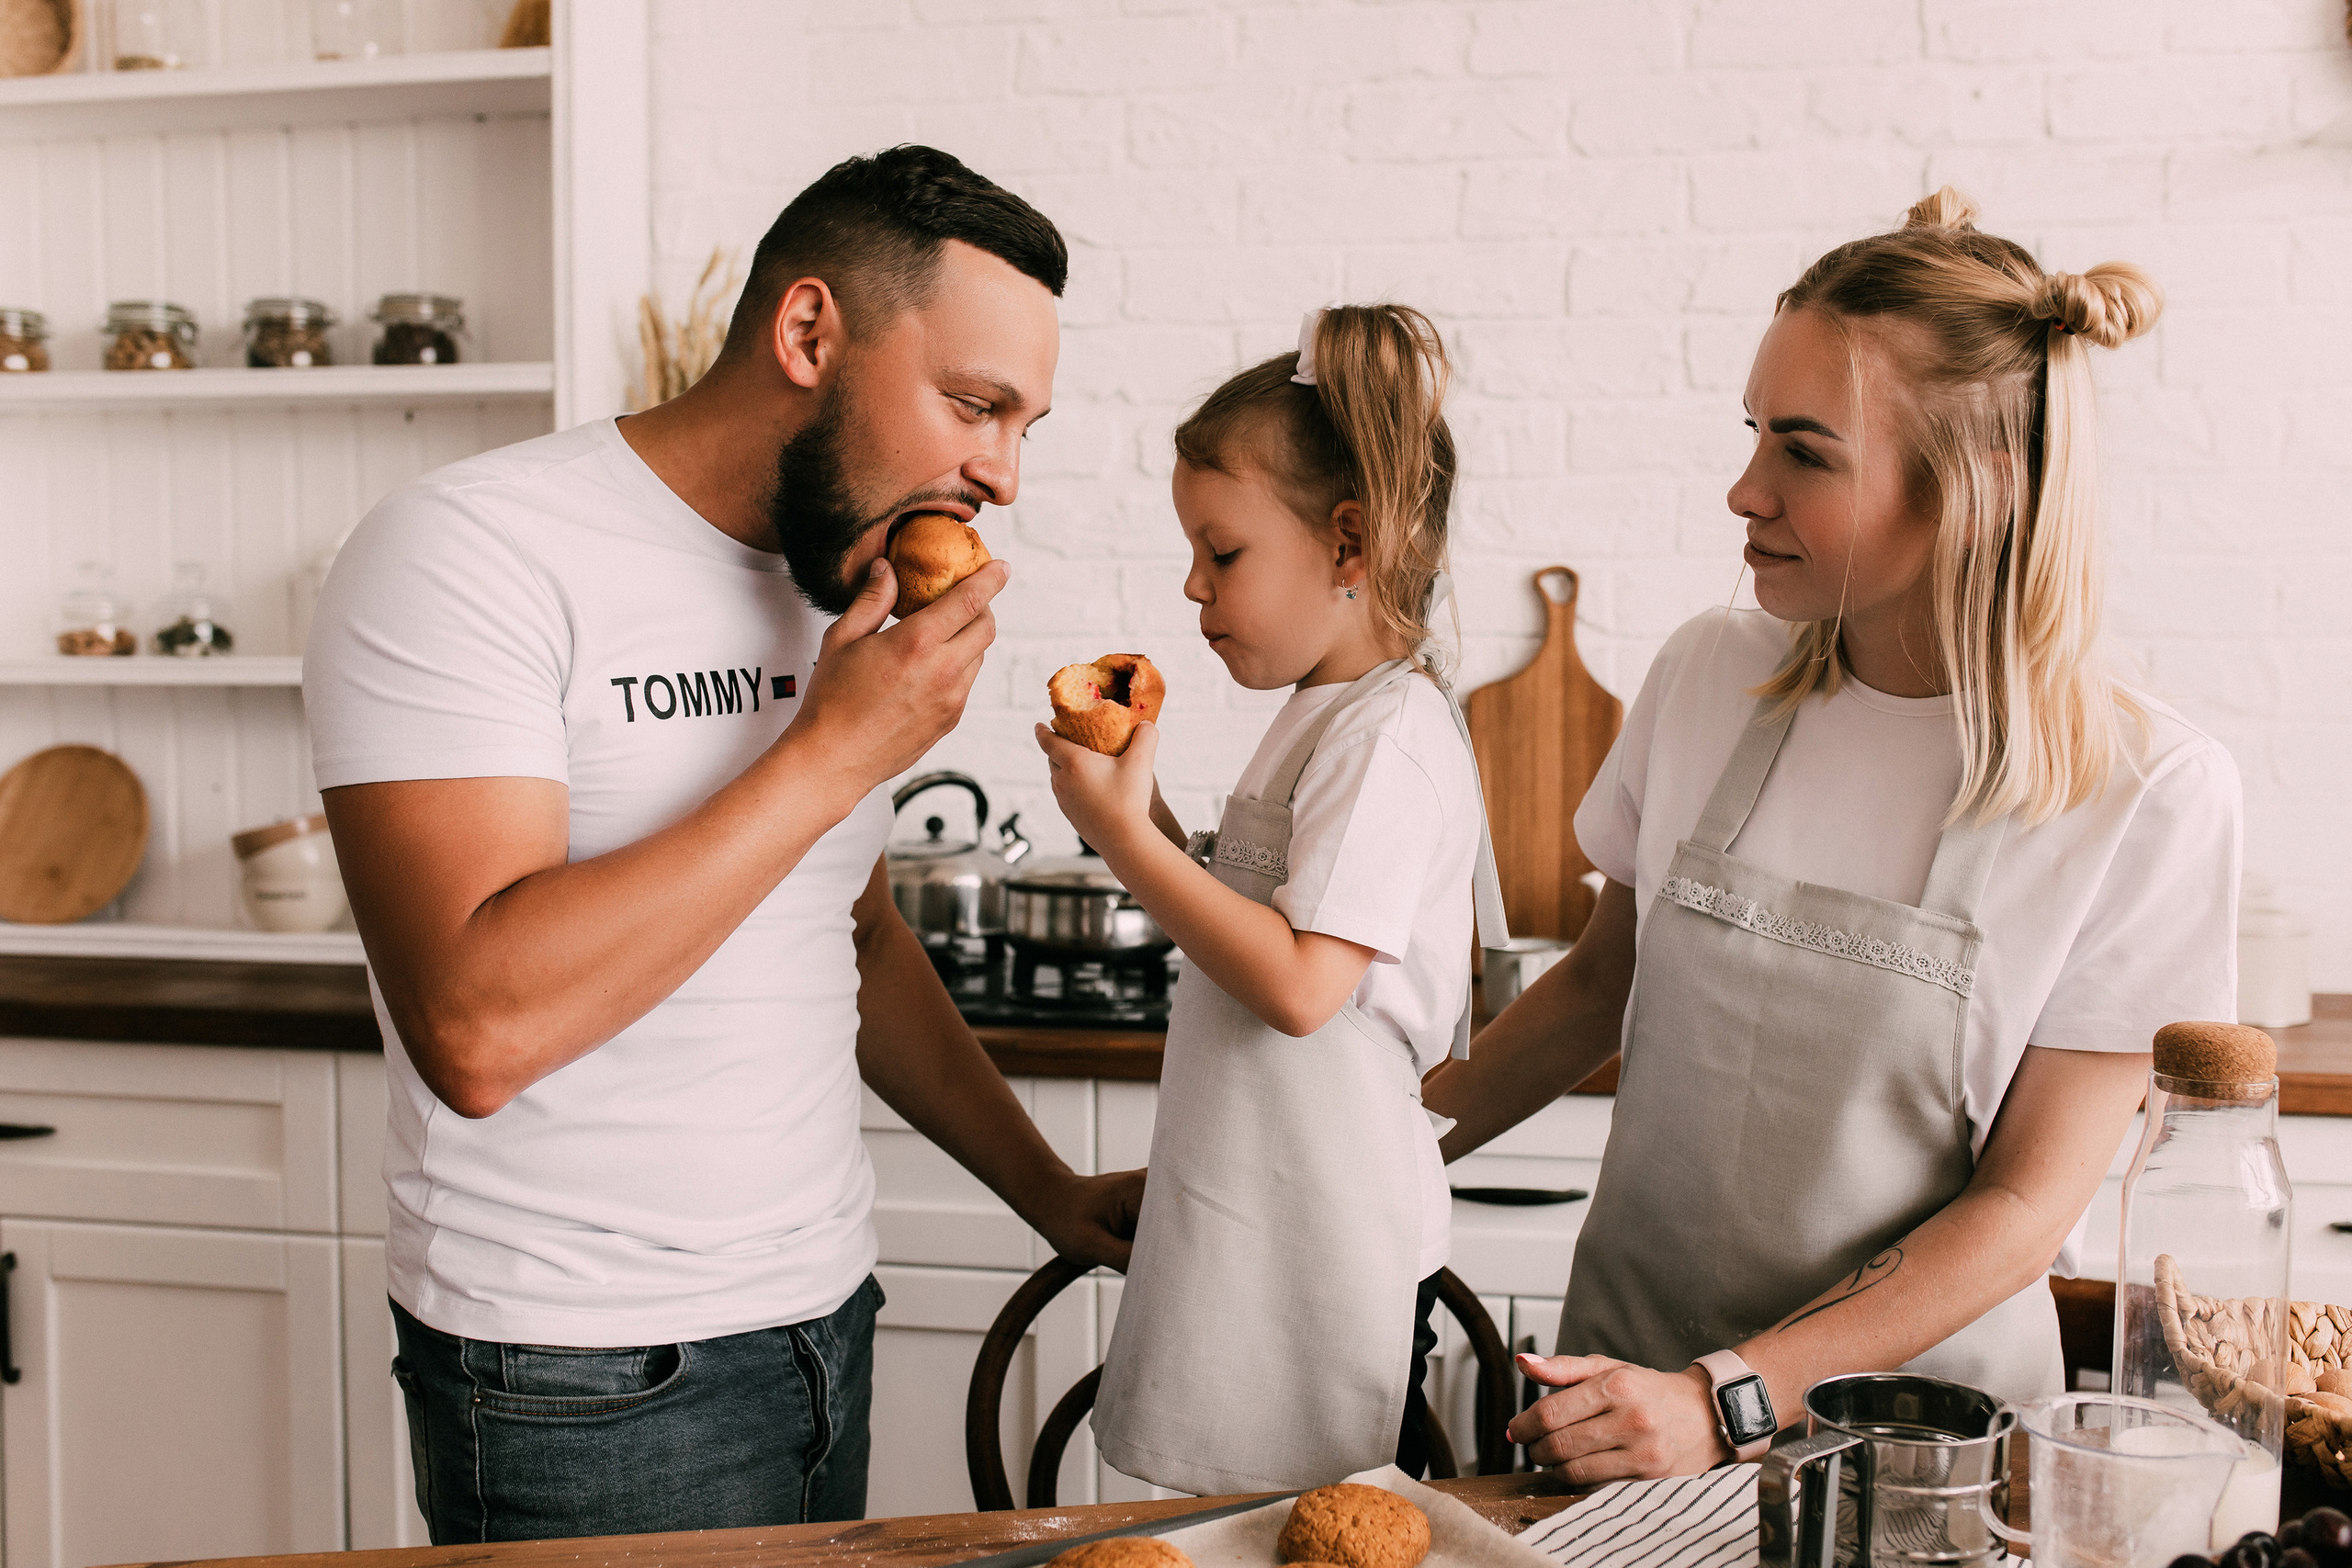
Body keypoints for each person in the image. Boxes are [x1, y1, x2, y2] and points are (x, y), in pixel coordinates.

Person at [305, 146, 1142, 1543]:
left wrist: (1043, 1189)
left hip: (823, 1320)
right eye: (976, 405)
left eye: (1024, 426)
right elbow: (476, 1028)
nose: (1000, 473)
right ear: (810, 332)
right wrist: (836, 749)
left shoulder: (829, 580)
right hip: (580, 1373)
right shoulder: (469, 551)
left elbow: (852, 935)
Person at [1424, 187, 2240, 1483]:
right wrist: (1357, 1158)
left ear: (1973, 487)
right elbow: (1596, 987)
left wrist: (1728, 1397)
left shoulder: (2144, 792)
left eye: (1805, 450)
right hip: (1617, 1409)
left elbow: (2028, 1208)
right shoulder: (1707, 675)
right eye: (1753, 432)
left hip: (1920, 1457)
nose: (1744, 488)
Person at [1039, 304, 1507, 1495]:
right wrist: (1133, 806)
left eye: (1224, 552)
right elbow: (1245, 911)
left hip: (1326, 1233)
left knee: (1309, 1523)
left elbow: (1303, 986)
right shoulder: (1320, 716)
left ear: (1347, 545)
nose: (1193, 585)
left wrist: (1120, 843)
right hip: (1263, 1204)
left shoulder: (1388, 736)